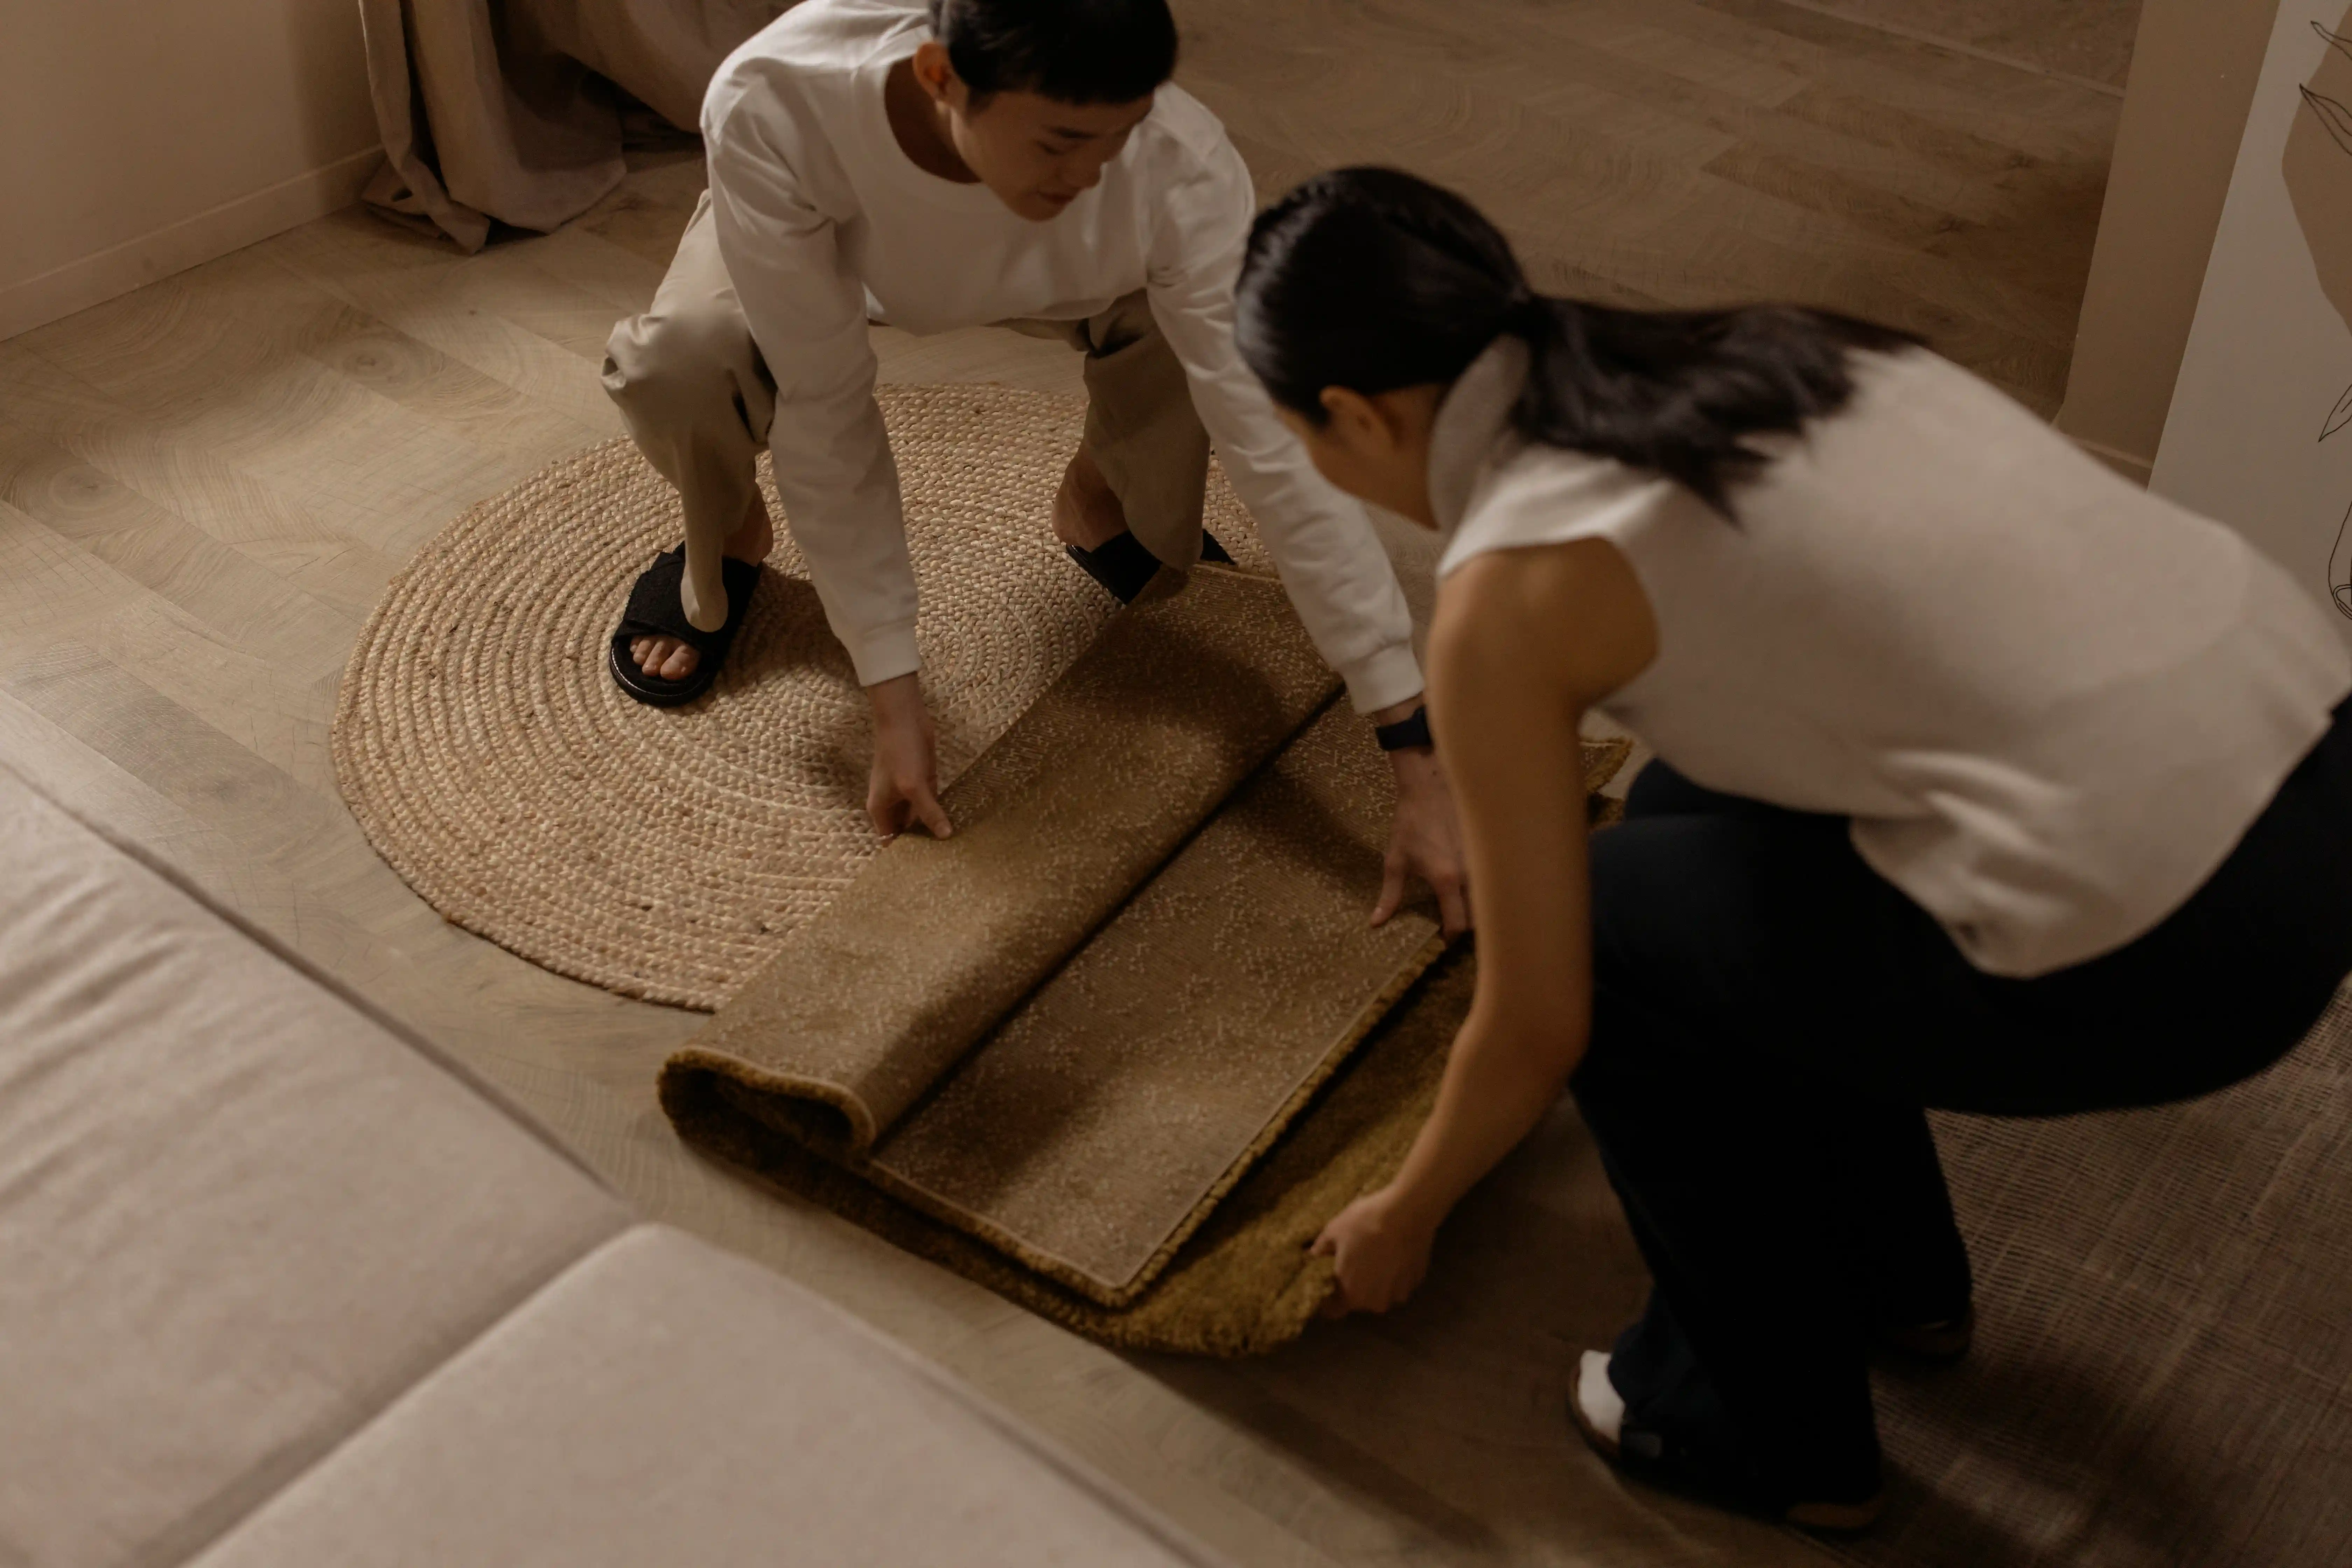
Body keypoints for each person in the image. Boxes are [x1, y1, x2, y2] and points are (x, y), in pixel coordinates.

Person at [1233, 166, 2352, 1530]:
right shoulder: (1769, 351)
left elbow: (1536, 1020)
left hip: (2193, 941)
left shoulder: (1511, 588)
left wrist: (1405, 1211)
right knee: (1678, 814)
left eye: (1306, 439)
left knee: (1614, 926)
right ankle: (1897, 1281)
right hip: (2312, 762)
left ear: (1355, 413)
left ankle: (1767, 1429)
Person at [598, 0, 1466, 931]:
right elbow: (828, 413)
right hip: (821, 248)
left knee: (1218, 323)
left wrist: (1415, 759)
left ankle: (1102, 500)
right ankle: (729, 534)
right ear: (941, 77)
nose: (1091, 175)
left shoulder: (1178, 167)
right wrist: (894, 697)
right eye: (1061, 142)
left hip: (1060, 267)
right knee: (678, 364)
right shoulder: (777, 101)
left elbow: (1272, 447)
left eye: (1121, 134)